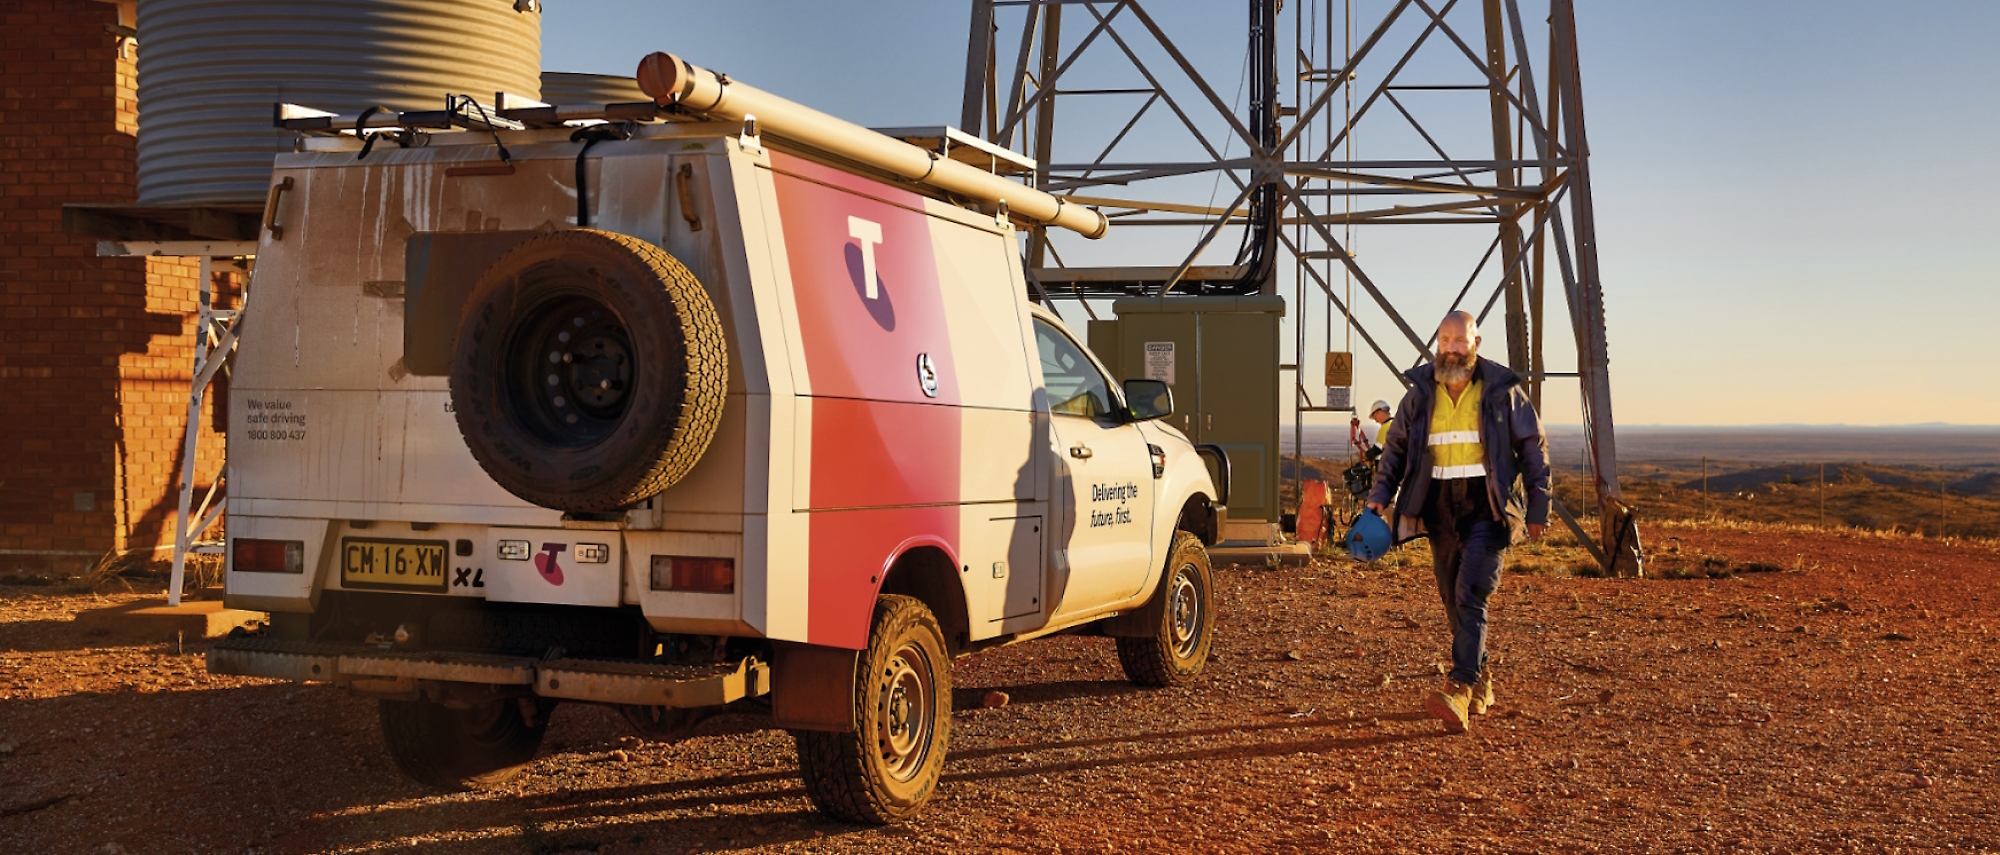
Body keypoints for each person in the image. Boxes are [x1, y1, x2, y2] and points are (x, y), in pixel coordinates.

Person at [1366, 311, 1549, 734]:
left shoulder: (1503, 392)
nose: (1451, 348)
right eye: (1445, 340)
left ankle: (1461, 687)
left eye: (1459, 341)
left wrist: (1539, 506)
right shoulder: (1420, 395)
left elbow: (1534, 448)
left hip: (1487, 506)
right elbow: (1396, 449)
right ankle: (1482, 676)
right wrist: (1380, 496)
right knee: (1452, 597)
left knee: (1472, 593)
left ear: (1476, 343)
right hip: (1438, 508)